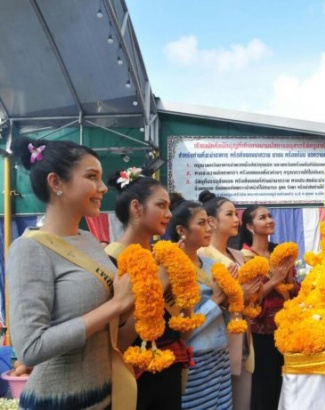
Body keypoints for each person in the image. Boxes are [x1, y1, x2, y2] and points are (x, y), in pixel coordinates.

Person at [7, 136, 135, 409]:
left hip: (104, 394)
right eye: (92, 176)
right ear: (56, 183)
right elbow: (30, 348)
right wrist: (116, 306)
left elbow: (109, 319)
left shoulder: (89, 240)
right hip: (57, 401)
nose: (102, 188)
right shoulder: (28, 249)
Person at [106, 168, 190, 410]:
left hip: (170, 367)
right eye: (161, 206)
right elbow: (117, 343)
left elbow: (183, 329)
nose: (169, 214)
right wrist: (159, 283)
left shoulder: (164, 257)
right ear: (136, 208)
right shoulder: (110, 262)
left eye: (168, 207)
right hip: (132, 375)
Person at [167, 193, 233, 409]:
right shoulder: (171, 269)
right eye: (201, 223)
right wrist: (216, 300)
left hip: (220, 351)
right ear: (181, 231)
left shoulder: (210, 263)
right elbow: (181, 326)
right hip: (195, 355)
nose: (209, 229)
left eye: (209, 222)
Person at [198, 190, 261, 410]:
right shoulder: (202, 255)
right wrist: (237, 297)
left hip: (243, 338)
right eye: (230, 214)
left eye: (236, 214)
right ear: (212, 222)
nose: (237, 219)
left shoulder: (238, 254)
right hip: (218, 341)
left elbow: (251, 296)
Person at [239, 206, 296, 410]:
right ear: (249, 226)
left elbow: (293, 286)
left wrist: (289, 279)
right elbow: (249, 298)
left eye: (270, 216)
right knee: (264, 387)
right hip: (260, 333)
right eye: (262, 218)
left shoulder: (279, 251)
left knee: (286, 385)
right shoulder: (244, 257)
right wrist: (275, 280)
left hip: (286, 329)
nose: (270, 220)